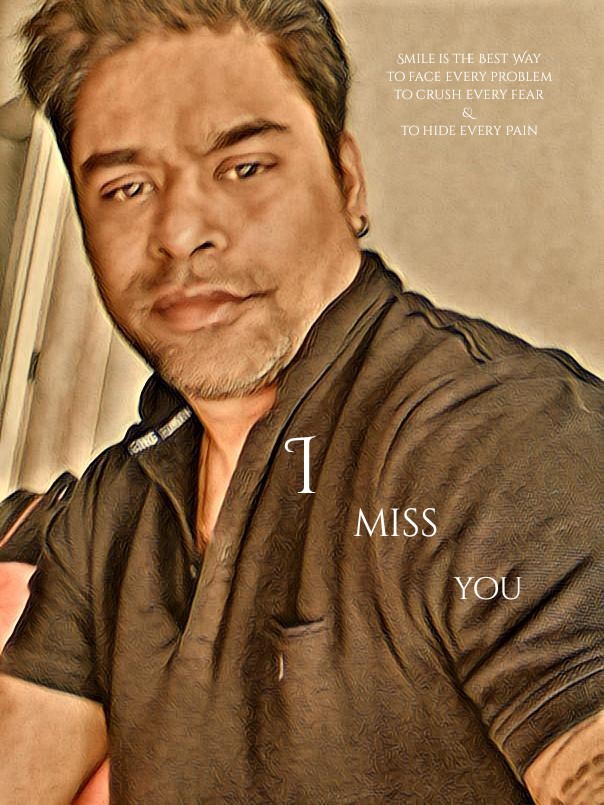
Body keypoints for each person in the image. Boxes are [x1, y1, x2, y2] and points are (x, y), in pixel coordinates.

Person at [0, 1, 602, 802]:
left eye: (244, 167)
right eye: (128, 186)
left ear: (347, 181)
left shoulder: (495, 437)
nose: (180, 231)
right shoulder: (114, 503)